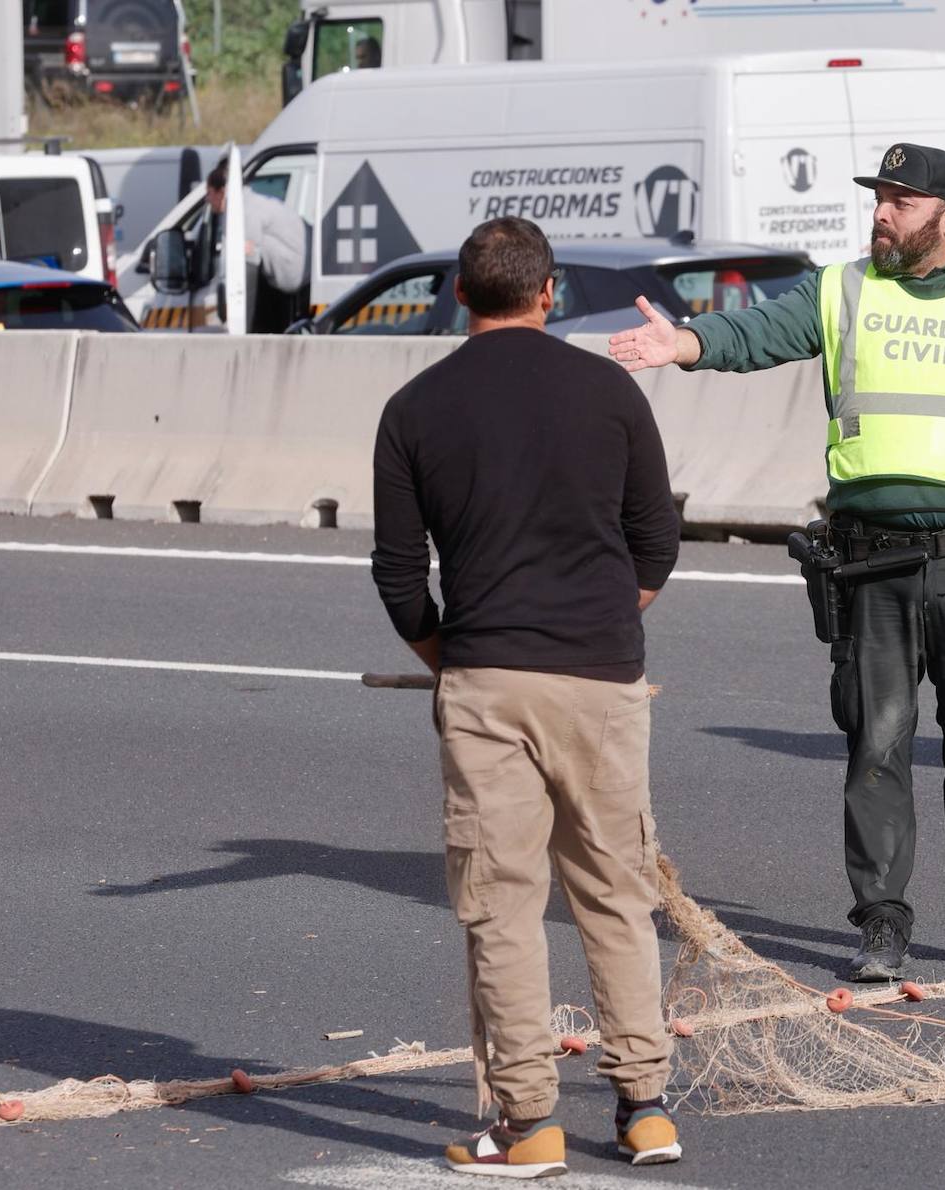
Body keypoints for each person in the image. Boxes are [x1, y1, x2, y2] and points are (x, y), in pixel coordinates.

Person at [609, 143, 945, 982]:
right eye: (879, 197)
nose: (881, 213)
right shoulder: (842, 290)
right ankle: (882, 922)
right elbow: (759, 331)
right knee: (878, 744)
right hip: (871, 566)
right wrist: (687, 343)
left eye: (901, 202)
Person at [372, 217, 684, 1176]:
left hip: (485, 679)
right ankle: (645, 1110)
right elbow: (657, 543)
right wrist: (601, 623)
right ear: (550, 293)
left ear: (459, 296)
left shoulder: (414, 408)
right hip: (601, 676)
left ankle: (529, 1125)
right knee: (615, 895)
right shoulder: (610, 391)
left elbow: (396, 577)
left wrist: (453, 658)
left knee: (501, 908)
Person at [204, 159, 311, 330]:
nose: (207, 199)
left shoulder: (245, 211)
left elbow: (248, 271)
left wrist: (244, 327)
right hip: (296, 276)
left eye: (209, 193)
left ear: (222, 192)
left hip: (294, 278)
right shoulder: (248, 204)